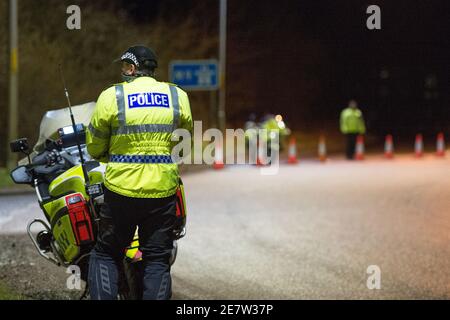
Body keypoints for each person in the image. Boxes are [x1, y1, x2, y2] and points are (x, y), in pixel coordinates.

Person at [86, 45, 193, 300]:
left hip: (121, 189)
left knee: (105, 253)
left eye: (124, 66)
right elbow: (183, 140)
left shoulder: (112, 96)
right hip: (162, 190)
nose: (122, 71)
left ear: (132, 68)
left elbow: (95, 145)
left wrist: (108, 156)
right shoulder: (177, 95)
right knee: (157, 258)